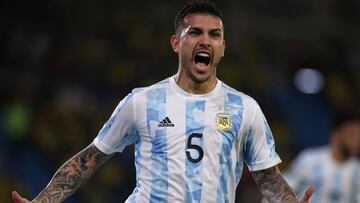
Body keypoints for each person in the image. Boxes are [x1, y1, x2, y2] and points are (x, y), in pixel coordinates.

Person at [12, 1, 315, 202]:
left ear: (223, 47)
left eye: (214, 34)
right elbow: (88, 159)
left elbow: (268, 178)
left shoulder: (244, 108)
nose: (205, 40)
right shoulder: (143, 102)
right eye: (194, 32)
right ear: (176, 42)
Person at [281, 113, 360, 203]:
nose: (357, 139)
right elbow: (280, 192)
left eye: (359, 134)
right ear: (335, 134)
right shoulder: (309, 160)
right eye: (352, 133)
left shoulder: (357, 170)